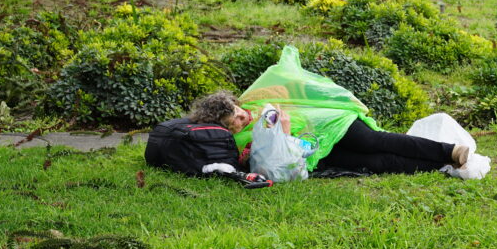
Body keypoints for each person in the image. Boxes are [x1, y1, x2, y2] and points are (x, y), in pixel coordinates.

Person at [187, 89, 469, 176]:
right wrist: (282, 134)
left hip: (327, 125)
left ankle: (449, 151)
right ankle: (441, 166)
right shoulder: (233, 140)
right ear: (224, 125)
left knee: (375, 141)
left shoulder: (256, 103)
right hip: (314, 153)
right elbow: (265, 161)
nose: (242, 117)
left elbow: (291, 90)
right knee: (376, 163)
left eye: (238, 110)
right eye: (235, 119)